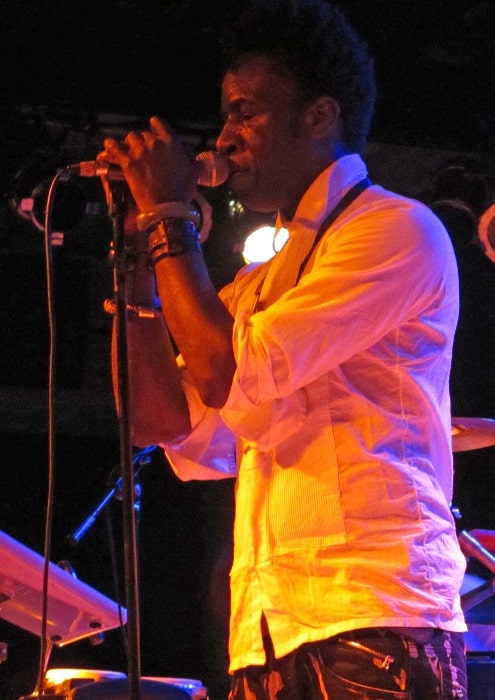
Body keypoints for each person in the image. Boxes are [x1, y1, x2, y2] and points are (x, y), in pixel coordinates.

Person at [100, 1, 468, 698]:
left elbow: (226, 369)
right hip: (268, 628)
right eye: (227, 114)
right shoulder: (255, 286)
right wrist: (138, 273)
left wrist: (172, 217)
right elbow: (161, 422)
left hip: (375, 617)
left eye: (246, 112)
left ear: (319, 116)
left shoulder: (395, 230)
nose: (226, 136)